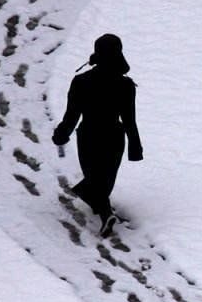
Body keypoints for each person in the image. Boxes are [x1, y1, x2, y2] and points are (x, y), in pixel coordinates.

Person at [52, 33, 143, 237]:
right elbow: (129, 120)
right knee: (101, 182)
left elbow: (72, 115)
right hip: (114, 138)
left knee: (94, 182)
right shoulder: (126, 85)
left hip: (89, 137)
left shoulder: (81, 81)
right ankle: (105, 212)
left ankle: (104, 212)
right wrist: (135, 147)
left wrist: (61, 134)